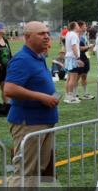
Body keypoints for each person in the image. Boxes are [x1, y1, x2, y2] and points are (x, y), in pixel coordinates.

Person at [4, 21, 60, 181]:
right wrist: (42, 97)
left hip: (42, 122)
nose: (47, 36)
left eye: (47, 33)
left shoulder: (38, 56)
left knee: (36, 171)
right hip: (28, 123)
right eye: (41, 33)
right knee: (25, 173)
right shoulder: (22, 59)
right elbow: (9, 89)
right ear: (27, 37)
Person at [63, 21, 84, 103]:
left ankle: (68, 96)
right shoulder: (74, 35)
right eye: (78, 25)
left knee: (69, 78)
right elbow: (74, 46)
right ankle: (71, 98)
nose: (79, 26)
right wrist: (78, 58)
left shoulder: (68, 33)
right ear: (74, 27)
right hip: (73, 58)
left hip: (68, 57)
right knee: (73, 79)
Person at [76, 21, 94, 100]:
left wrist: (89, 49)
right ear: (80, 27)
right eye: (84, 26)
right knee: (77, 77)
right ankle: (75, 94)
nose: (86, 27)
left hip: (86, 57)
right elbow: (79, 48)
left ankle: (85, 93)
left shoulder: (85, 35)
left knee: (84, 76)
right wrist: (88, 46)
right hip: (80, 58)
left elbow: (86, 47)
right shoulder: (77, 36)